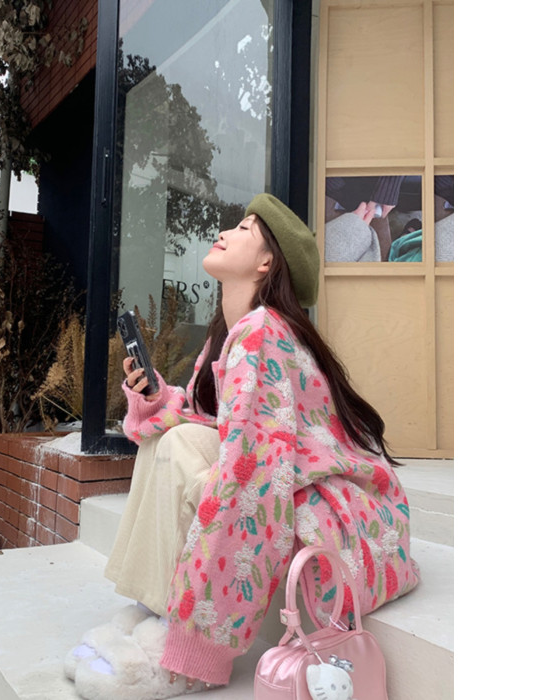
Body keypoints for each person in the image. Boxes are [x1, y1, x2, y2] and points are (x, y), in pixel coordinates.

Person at [64, 194, 420, 699]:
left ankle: (178, 647)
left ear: (266, 263)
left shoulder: (261, 332)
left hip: (330, 515)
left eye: (245, 229)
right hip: (298, 490)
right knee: (172, 438)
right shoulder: (234, 332)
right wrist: (156, 398)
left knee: (189, 448)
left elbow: (253, 477)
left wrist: (203, 646)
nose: (225, 232)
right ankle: (156, 608)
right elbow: (221, 426)